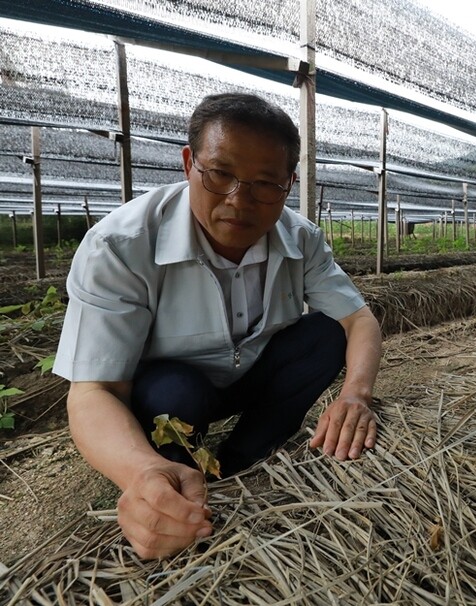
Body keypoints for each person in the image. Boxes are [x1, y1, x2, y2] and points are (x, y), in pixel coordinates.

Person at [53, 93, 382, 559]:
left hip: (249, 375)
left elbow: (359, 319)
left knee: (325, 335)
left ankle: (243, 458)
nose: (238, 201)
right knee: (172, 393)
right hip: (172, 396)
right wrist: (138, 471)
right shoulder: (121, 245)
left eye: (265, 183)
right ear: (189, 163)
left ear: (289, 184)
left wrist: (356, 395)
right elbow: (93, 391)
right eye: (220, 174)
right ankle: (171, 472)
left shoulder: (301, 239)